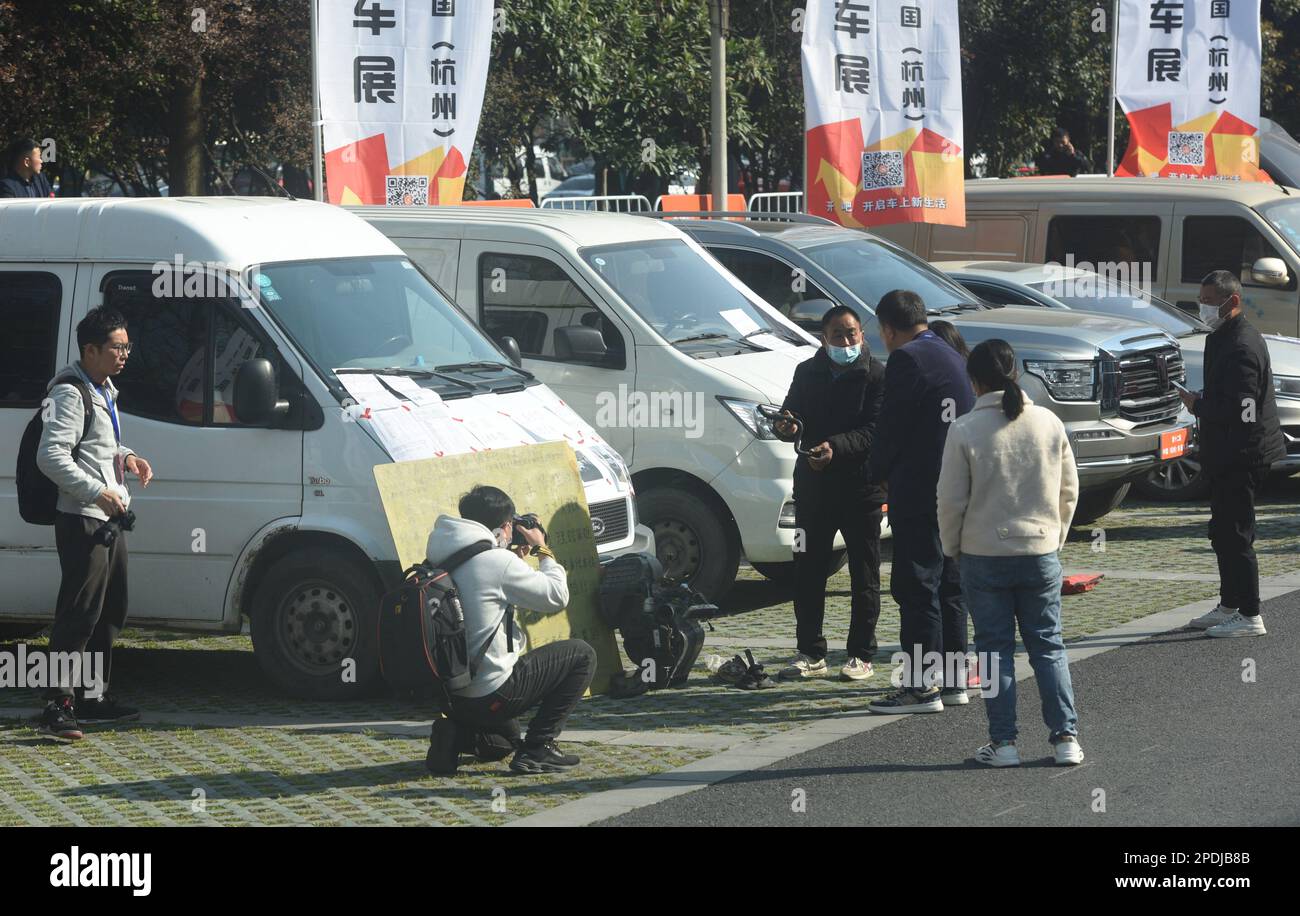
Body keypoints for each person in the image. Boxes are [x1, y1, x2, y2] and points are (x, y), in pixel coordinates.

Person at [937, 339, 1083, 767]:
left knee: (994, 650)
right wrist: (1055, 538)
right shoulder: (1048, 422)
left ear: (974, 380)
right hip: (1039, 548)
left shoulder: (964, 429)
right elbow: (1069, 490)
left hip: (983, 553)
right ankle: (1065, 739)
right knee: (1048, 647)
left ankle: (1004, 744)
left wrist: (953, 548)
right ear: (1015, 372)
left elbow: (950, 501)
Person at [36, 308, 153, 740]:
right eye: (117, 347)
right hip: (84, 520)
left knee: (109, 612)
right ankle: (56, 706)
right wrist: (95, 492)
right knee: (78, 615)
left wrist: (126, 458)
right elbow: (50, 456)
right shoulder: (69, 393)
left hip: (109, 518)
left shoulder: (102, 388)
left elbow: (98, 446)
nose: (125, 354)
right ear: (90, 350)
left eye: (126, 346)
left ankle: (91, 697)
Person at [425, 485, 595, 774]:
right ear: (505, 526)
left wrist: (510, 558)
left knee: (504, 742)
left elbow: (481, 590)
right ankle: (539, 748)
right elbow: (556, 596)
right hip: (492, 694)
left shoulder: (439, 556)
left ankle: (453, 734)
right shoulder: (497, 562)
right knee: (582, 655)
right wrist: (543, 550)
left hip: (452, 697)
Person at [867, 290, 975, 714]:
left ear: (888, 328)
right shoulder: (952, 354)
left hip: (919, 489)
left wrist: (874, 474)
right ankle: (952, 681)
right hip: (953, 488)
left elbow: (890, 427)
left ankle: (919, 687)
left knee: (916, 586)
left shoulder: (907, 359)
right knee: (950, 586)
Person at [773, 305, 887, 681]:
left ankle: (861, 654)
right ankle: (810, 651)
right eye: (838, 334)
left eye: (852, 333)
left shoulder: (876, 375)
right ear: (824, 338)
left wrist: (835, 447)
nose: (846, 341)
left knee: (864, 575)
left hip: (862, 489)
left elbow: (874, 431)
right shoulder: (807, 371)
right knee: (807, 572)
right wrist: (787, 427)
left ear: (862, 335)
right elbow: (791, 417)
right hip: (813, 489)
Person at [1181, 270, 1285, 637]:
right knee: (1222, 531)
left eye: (1210, 301)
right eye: (1203, 299)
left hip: (1242, 454)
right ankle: (1229, 603)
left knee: (1237, 534)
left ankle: (1250, 614)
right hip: (1225, 452)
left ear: (1233, 301)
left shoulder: (1241, 344)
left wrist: (1198, 406)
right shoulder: (1222, 336)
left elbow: (1244, 411)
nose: (1204, 307)